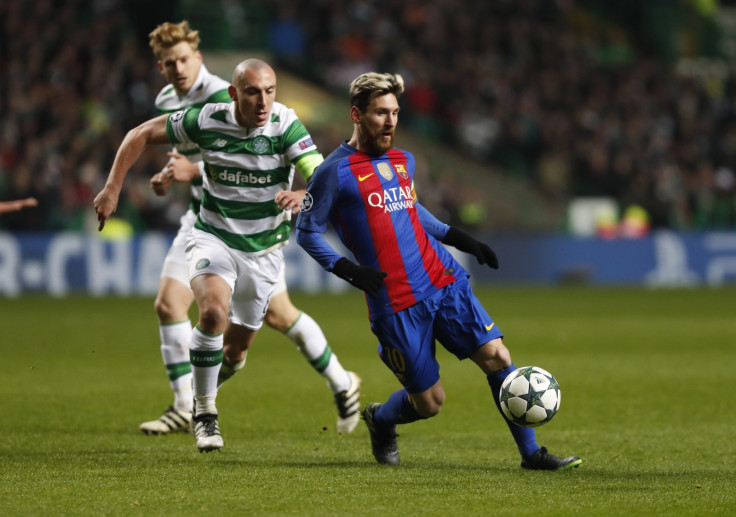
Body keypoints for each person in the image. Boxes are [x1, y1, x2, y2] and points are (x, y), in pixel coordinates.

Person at [295, 72, 582, 470]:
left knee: (498, 356)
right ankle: (381, 419)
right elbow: (306, 233)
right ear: (356, 115)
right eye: (381, 113)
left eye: (395, 112)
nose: (391, 121)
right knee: (429, 404)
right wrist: (348, 269)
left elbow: (410, 210)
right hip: (395, 303)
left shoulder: (404, 161)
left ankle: (531, 454)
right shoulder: (333, 173)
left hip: (442, 280)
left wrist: (460, 239)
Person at [94, 56, 360, 452]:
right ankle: (202, 412)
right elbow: (140, 133)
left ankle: (338, 381)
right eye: (253, 92)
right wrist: (112, 187)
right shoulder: (206, 119)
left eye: (270, 91)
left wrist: (304, 195)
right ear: (234, 93)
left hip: (264, 251)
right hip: (212, 237)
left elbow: (323, 181)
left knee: (235, 353)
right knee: (212, 312)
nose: (263, 101)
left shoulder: (285, 124)